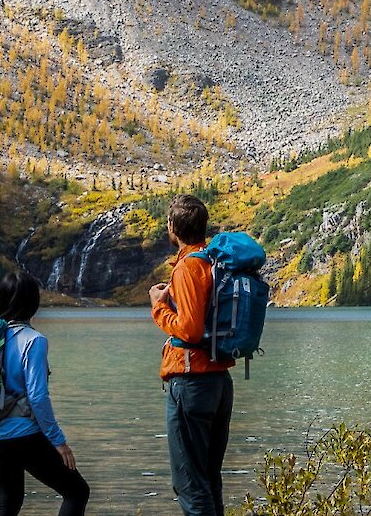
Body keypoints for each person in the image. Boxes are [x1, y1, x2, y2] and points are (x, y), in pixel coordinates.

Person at [149, 194, 234, 516]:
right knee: (209, 479)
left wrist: (158, 306)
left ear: (173, 228)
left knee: (190, 484)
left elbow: (191, 330)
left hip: (192, 381)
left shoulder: (188, 267)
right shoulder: (214, 262)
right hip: (218, 381)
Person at [0, 270, 90, 516]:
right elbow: (37, 397)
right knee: (77, 492)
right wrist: (58, 442)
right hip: (21, 437)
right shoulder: (34, 340)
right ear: (33, 303)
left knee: (7, 505)